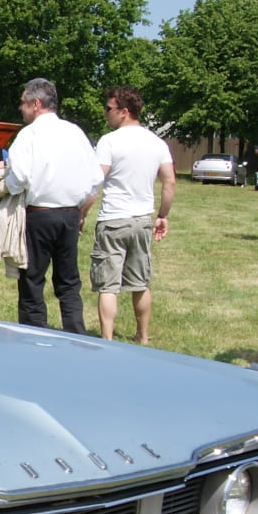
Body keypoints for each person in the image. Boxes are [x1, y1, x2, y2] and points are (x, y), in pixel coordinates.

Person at [2, 77, 102, 333]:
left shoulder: (29, 135)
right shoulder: (76, 132)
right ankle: (75, 334)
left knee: (32, 280)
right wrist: (79, 208)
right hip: (69, 214)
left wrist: (7, 186)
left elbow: (19, 179)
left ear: (36, 103)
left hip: (39, 215)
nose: (20, 108)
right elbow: (95, 179)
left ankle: (34, 335)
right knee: (69, 281)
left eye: (23, 103)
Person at [81, 86, 176, 343]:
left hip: (113, 220)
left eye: (108, 108)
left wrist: (81, 213)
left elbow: (95, 183)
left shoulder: (109, 141)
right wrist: (162, 215)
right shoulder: (157, 143)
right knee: (139, 282)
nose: (105, 113)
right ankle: (142, 336)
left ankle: (107, 339)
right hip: (142, 220)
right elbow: (169, 183)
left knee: (108, 285)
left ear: (124, 112)